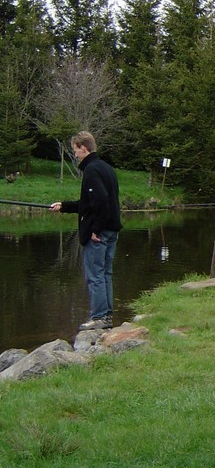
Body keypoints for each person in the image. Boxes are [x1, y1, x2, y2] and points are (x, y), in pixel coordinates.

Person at [49, 132, 122, 330]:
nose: (75, 155)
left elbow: (100, 201)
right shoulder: (106, 168)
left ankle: (99, 317)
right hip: (112, 229)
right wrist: (64, 206)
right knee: (105, 273)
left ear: (84, 147)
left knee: (95, 275)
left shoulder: (91, 170)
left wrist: (95, 229)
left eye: (75, 150)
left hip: (99, 232)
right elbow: (90, 203)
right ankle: (106, 317)